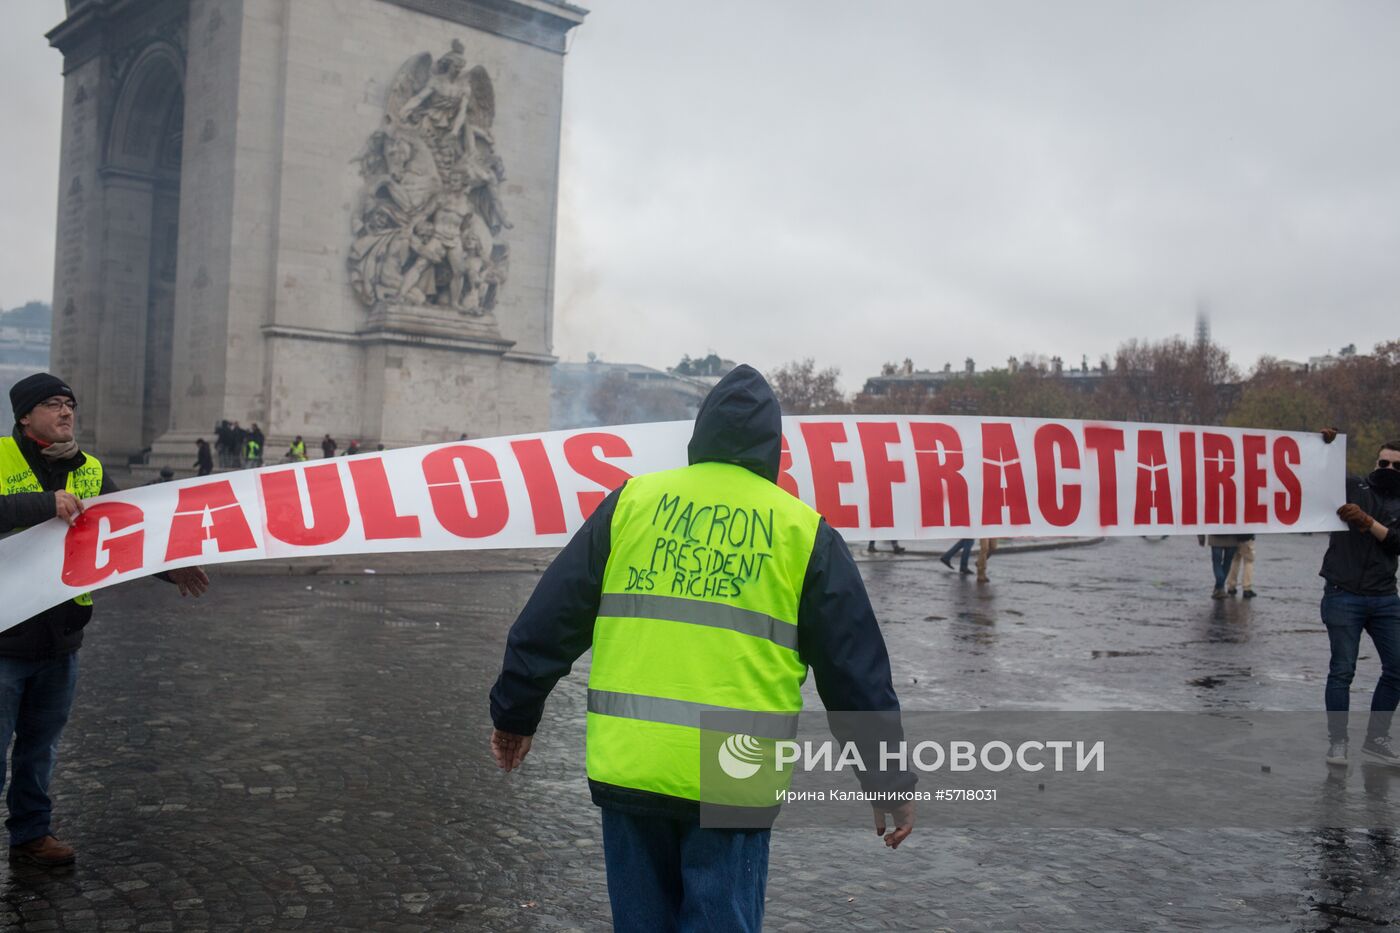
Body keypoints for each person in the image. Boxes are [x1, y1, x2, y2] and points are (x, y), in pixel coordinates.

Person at [487, 365, 914, 931]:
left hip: (632, 763)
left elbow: (550, 619)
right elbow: (854, 672)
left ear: (701, 432)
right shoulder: (803, 532)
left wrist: (515, 713)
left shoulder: (633, 503)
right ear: (773, 446)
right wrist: (887, 779)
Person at [0, 373, 210, 866]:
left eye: (70, 403)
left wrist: (171, 567)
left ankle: (32, 835)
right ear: (25, 415)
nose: (66, 412)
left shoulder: (90, 469)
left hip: (61, 638)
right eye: (53, 404)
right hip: (4, 638)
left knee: (40, 751)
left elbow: (126, 534)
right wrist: (41, 504)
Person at [1319, 431, 1400, 768]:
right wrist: (1323, 446)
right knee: (1342, 671)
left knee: (1397, 669)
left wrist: (1368, 523)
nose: (1389, 469)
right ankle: (1338, 742)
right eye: (1383, 462)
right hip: (1343, 593)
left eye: (1397, 465)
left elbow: (1397, 542)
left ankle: (1376, 738)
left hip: (1385, 597)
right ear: (1374, 462)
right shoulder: (1354, 487)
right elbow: (1318, 475)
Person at [1198, 534, 1243, 598]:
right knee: (1227, 562)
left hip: (1216, 537)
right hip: (1232, 537)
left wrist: (1201, 537)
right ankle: (1219, 587)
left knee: (1217, 562)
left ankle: (1219, 587)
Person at [1226, 534, 1257, 598]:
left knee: (1235, 561)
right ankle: (1247, 588)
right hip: (1246, 538)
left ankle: (1231, 586)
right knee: (1248, 561)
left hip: (1233, 539)